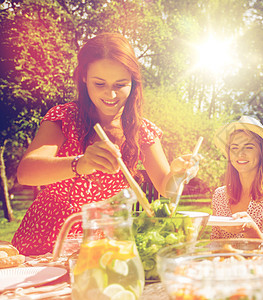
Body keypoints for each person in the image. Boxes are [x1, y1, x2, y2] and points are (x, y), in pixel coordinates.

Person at [12, 33, 197, 256]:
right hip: (43, 240)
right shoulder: (66, 117)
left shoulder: (142, 131)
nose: (110, 94)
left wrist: (177, 173)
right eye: (99, 83)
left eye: (121, 85)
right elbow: (26, 173)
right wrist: (80, 164)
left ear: (133, 83)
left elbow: (166, 191)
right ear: (83, 78)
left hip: (100, 243)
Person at [210, 116, 263, 242]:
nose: (240, 154)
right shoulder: (220, 195)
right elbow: (214, 242)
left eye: (249, 147)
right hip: (224, 261)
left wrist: (249, 229)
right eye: (234, 148)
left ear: (262, 153)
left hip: (260, 262)